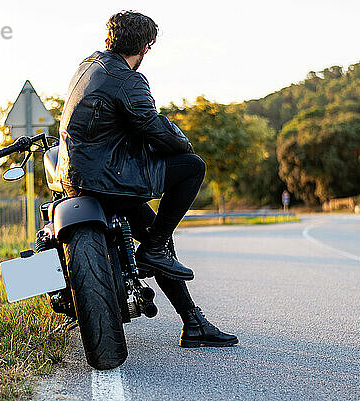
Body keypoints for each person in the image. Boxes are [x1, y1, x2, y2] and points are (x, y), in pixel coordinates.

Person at [57, 10, 237, 348]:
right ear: (146, 47)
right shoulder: (128, 79)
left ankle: (193, 322)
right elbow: (155, 128)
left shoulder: (89, 65)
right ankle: (154, 249)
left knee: (156, 234)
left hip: (76, 179)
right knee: (192, 166)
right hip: (109, 181)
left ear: (109, 38)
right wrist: (182, 142)